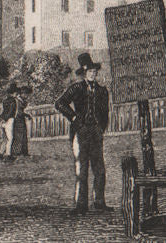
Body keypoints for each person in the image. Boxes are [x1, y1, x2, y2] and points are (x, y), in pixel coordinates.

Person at [55, 53, 110, 215]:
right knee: (82, 168)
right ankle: (81, 205)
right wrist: (73, 118)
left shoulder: (102, 91)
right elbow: (59, 103)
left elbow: (105, 113)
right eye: (90, 71)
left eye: (94, 71)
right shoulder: (76, 88)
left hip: (95, 132)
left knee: (99, 168)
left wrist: (101, 128)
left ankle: (99, 202)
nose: (93, 73)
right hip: (80, 131)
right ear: (84, 73)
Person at [0, 83, 18, 160]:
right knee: (10, 138)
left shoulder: (5, 101)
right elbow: (10, 112)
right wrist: (5, 119)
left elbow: (4, 111)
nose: (16, 94)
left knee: (5, 138)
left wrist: (0, 119)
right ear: (13, 93)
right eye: (15, 93)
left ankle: (0, 152)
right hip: (9, 120)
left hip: (4, 120)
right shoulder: (13, 101)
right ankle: (8, 154)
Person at [12, 85, 32, 157]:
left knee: (24, 136)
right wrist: (27, 115)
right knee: (18, 137)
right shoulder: (17, 101)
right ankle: (16, 152)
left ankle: (24, 152)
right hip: (17, 120)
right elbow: (19, 113)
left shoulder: (22, 101)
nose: (27, 96)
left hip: (21, 120)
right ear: (22, 93)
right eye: (26, 94)